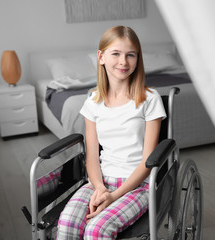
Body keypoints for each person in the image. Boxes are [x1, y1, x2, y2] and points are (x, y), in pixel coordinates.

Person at [56, 26, 166, 239]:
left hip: (137, 185)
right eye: (116, 53)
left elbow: (147, 161)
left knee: (96, 231)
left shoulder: (149, 100)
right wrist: (100, 188)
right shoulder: (93, 103)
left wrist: (114, 195)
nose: (123, 62)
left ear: (137, 58)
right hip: (100, 181)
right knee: (67, 225)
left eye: (130, 55)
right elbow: (92, 158)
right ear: (101, 57)